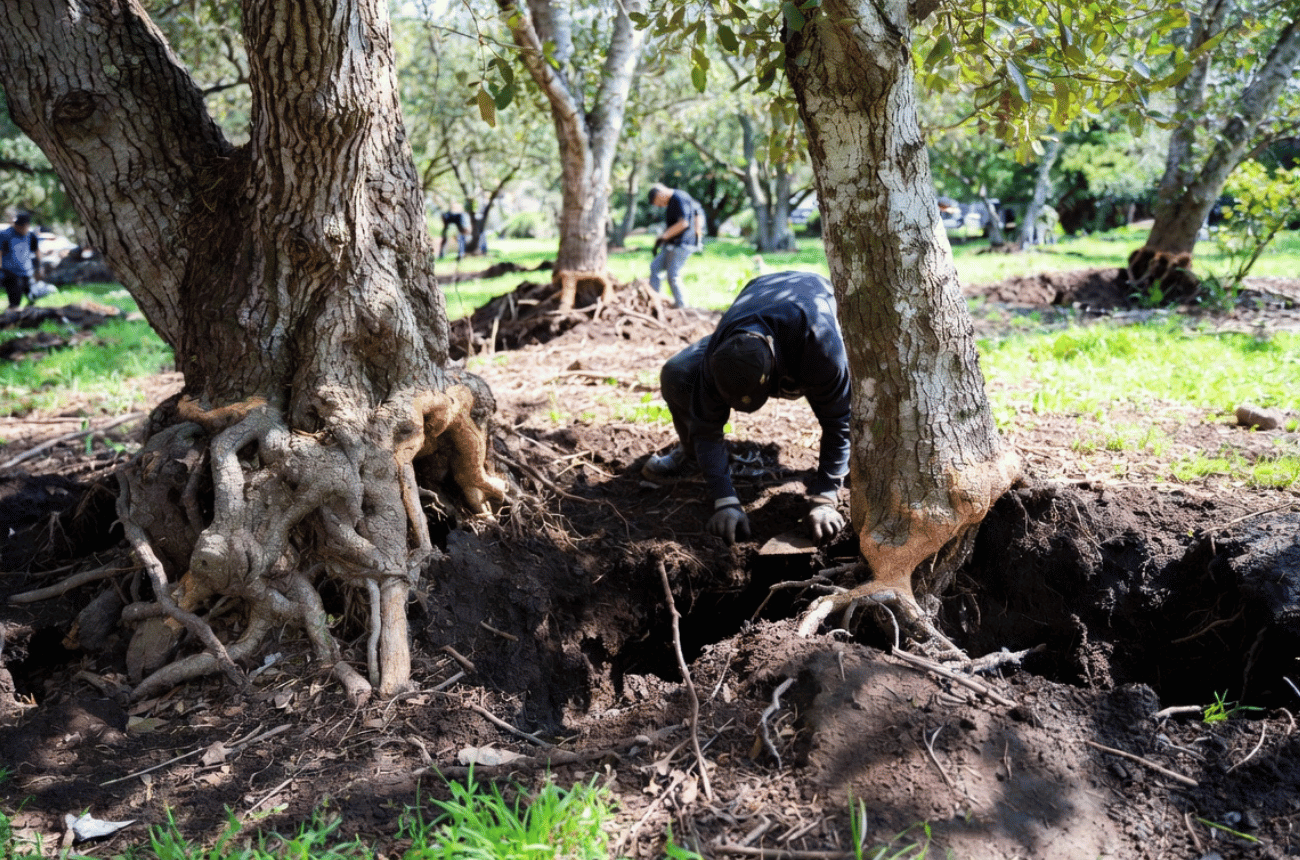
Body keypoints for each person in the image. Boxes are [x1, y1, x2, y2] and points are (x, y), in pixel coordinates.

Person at [642, 270, 850, 545]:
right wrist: (724, 501)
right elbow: (707, 428)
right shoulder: (720, 353)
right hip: (757, 310)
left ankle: (852, 464)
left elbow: (839, 421)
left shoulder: (820, 346)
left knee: (857, 394)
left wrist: (825, 498)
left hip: (811, 316)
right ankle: (690, 454)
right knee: (678, 373)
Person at [647, 183, 701, 308]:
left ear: (660, 193)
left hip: (682, 244)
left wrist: (664, 236)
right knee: (655, 267)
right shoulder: (673, 200)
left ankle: (682, 306)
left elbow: (684, 223)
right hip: (672, 244)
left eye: (658, 202)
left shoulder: (679, 198)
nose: (660, 206)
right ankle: (654, 301)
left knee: (673, 275)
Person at [1, 212, 39, 310]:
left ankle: (27, 317)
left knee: (33, 297)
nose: (19, 228)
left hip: (27, 272)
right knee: (14, 301)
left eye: (23, 226)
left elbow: (37, 251)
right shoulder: (5, 235)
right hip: (11, 272)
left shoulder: (30, 236)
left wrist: (39, 267)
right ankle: (9, 321)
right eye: (17, 225)